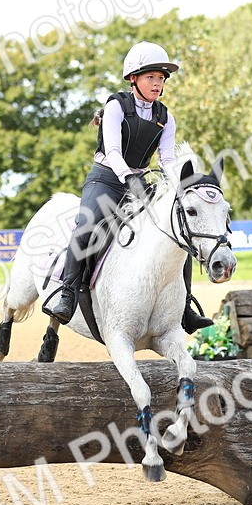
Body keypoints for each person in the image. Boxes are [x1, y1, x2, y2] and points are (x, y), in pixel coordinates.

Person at [42, 41, 212, 333]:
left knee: (177, 232)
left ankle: (184, 306)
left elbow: (168, 158)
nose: (158, 84)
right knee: (88, 224)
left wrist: (181, 184)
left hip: (140, 180)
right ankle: (67, 294)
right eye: (151, 78)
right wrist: (128, 178)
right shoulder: (115, 107)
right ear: (133, 78)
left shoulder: (165, 117)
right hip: (107, 177)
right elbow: (113, 151)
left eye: (161, 79)